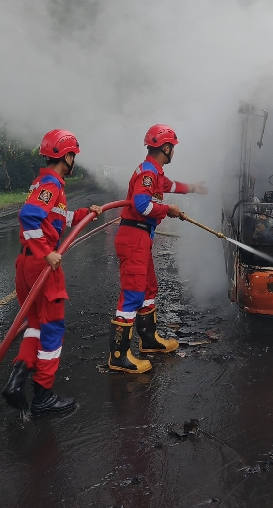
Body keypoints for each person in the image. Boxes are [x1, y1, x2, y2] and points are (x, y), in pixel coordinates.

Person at [1, 130, 101, 416]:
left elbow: (57, 218)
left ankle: (16, 382)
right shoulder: (51, 184)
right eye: (73, 156)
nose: (74, 161)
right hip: (42, 266)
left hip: (26, 264)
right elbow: (29, 216)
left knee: (35, 324)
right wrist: (47, 252)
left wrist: (85, 214)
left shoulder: (45, 183)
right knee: (53, 328)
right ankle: (43, 395)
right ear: (66, 156)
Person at [108, 124, 207, 374]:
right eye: (172, 147)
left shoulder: (155, 171)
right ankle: (119, 356)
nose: (174, 151)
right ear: (166, 147)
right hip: (133, 237)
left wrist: (193, 188)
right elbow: (141, 205)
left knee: (149, 288)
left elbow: (170, 186)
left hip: (141, 237)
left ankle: (149, 340)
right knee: (132, 294)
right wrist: (168, 210)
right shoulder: (148, 174)